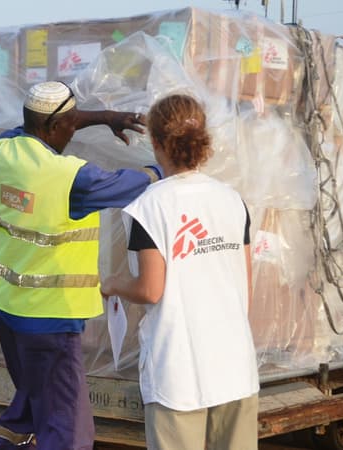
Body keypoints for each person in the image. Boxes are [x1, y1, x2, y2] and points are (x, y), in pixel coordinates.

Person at [0, 81, 161, 450]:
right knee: (68, 430)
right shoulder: (71, 180)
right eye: (71, 124)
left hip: (9, 311)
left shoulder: (3, 148)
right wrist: (166, 164)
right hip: (50, 323)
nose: (74, 129)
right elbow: (131, 184)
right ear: (52, 128)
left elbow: (55, 122)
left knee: (30, 408)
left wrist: (104, 118)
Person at [100, 93, 259, 450]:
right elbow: (244, 286)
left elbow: (150, 289)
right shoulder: (232, 200)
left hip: (179, 369)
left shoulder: (150, 206)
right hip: (234, 364)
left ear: (155, 143)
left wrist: (111, 284)